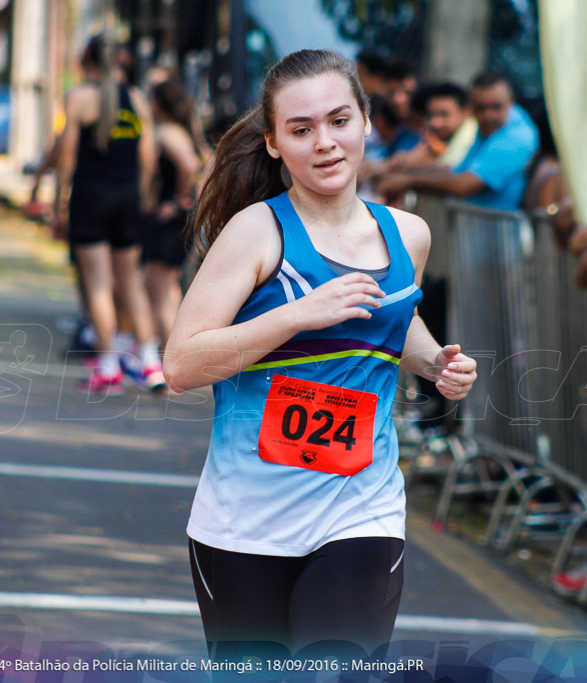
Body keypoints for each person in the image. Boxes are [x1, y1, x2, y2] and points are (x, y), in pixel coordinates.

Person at [163, 49, 478, 657]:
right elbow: (181, 364)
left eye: (338, 121)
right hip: (244, 525)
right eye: (301, 130)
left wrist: (437, 361)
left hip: (360, 510)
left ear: (365, 120)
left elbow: (390, 315)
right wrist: (300, 313)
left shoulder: (407, 233)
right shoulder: (257, 232)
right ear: (276, 143)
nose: (325, 143)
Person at [51, 34, 158, 394]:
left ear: (87, 60)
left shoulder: (80, 99)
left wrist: (57, 202)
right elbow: (148, 159)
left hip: (91, 197)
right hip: (128, 198)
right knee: (131, 282)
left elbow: (66, 157)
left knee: (98, 284)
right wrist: (141, 197)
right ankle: (150, 361)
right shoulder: (138, 100)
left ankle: (109, 364)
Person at [374, 71, 538, 211]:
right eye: (481, 108)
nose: (488, 116)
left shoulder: (518, 136)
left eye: (496, 107)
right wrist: (399, 176)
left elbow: (464, 185)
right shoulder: (488, 130)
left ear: (511, 102)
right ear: (471, 108)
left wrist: (408, 181)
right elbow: (454, 172)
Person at [139, 78, 202, 385]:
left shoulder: (167, 132)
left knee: (160, 292)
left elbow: (190, 165)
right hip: (179, 219)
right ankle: (173, 361)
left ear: (158, 105)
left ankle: (170, 364)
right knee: (170, 291)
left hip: (170, 219)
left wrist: (178, 200)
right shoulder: (185, 131)